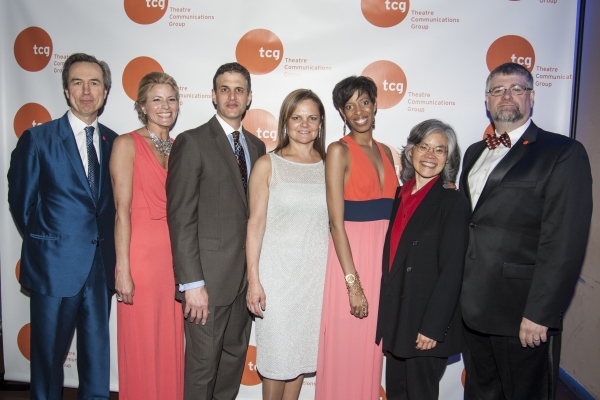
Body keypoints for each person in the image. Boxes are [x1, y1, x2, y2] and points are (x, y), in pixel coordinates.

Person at [460, 62, 593, 400]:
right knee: (480, 393)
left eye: (516, 89)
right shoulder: (476, 152)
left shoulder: (562, 153)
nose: (507, 96)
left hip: (522, 314)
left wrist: (540, 313)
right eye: (498, 90)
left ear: (531, 98)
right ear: (487, 101)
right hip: (473, 308)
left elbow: (563, 241)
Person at [7, 53, 117, 399]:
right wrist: (52, 245)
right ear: (66, 91)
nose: (87, 91)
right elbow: (22, 205)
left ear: (105, 92)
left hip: (100, 271)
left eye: (94, 83)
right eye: (77, 82)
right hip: (53, 269)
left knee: (97, 360)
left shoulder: (114, 142)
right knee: (48, 359)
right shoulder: (38, 140)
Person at [166, 62, 266, 400]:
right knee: (202, 369)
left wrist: (255, 276)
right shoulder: (192, 142)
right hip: (206, 283)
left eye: (239, 89)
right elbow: (180, 217)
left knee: (232, 366)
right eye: (225, 89)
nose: (232, 96)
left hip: (244, 284)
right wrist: (191, 283)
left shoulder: (256, 147)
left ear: (249, 97)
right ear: (213, 95)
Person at [316, 76, 397, 400]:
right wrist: (353, 283)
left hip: (381, 270)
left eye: (364, 102)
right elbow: (336, 223)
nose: (359, 111)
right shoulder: (338, 151)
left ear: (375, 105)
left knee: (370, 357)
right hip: (349, 265)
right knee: (344, 355)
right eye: (350, 106)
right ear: (341, 112)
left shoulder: (388, 153)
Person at [376, 119, 469, 400]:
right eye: (424, 146)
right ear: (410, 152)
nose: (430, 155)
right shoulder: (397, 196)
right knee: (396, 393)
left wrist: (433, 326)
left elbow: (453, 270)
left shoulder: (452, 202)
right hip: (397, 320)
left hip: (425, 324)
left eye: (439, 150)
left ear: (449, 159)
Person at [246, 89, 329, 400]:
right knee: (277, 361)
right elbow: (254, 224)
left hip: (315, 280)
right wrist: (253, 280)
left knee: (300, 360)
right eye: (297, 117)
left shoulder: (330, 164)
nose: (304, 124)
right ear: (285, 122)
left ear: (321, 123)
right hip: (276, 280)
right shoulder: (269, 164)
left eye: (311, 117)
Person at [110, 72, 183, 400]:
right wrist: (122, 269)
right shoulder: (127, 143)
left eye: (171, 99)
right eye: (156, 99)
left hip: (174, 259)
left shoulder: (181, 146)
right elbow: (121, 211)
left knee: (169, 340)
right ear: (141, 105)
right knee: (141, 342)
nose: (165, 106)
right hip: (140, 257)